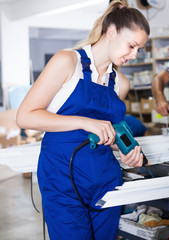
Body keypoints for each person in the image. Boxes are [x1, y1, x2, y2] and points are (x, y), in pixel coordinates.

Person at [16, 1, 150, 239]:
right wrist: (83, 121)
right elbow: (25, 115)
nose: (134, 54)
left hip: (105, 181)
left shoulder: (121, 83)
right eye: (131, 46)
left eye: (139, 49)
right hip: (62, 180)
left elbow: (107, 133)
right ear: (111, 32)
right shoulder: (68, 62)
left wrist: (125, 151)